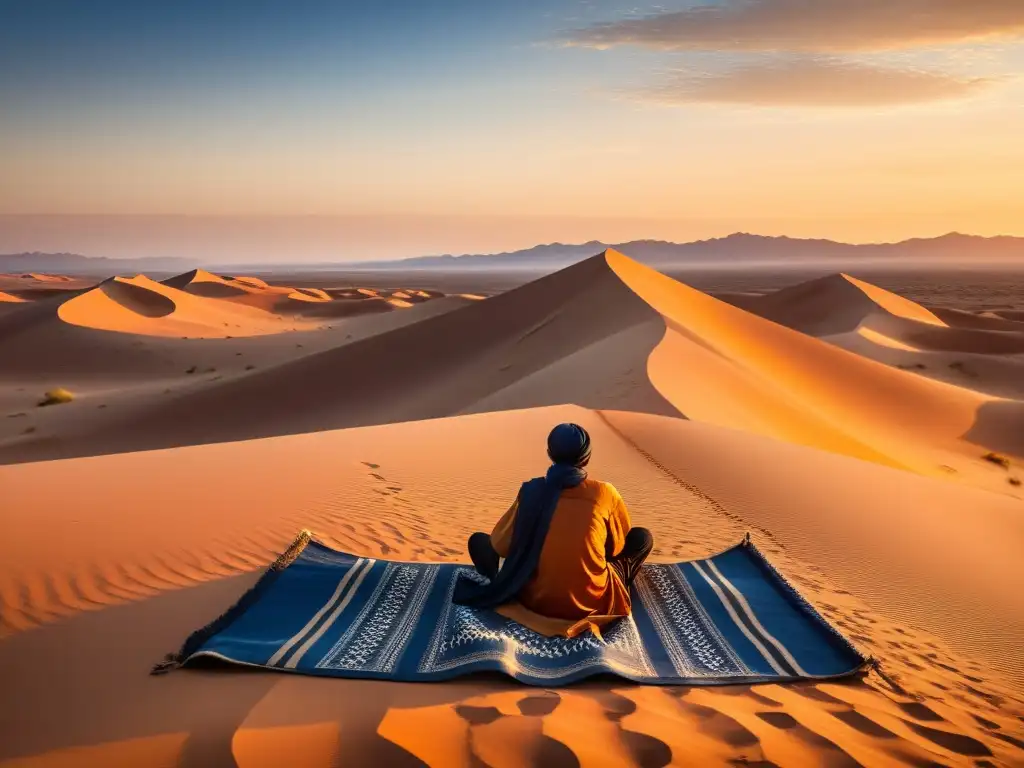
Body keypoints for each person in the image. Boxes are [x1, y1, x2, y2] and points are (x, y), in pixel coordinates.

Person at [454, 422, 653, 635]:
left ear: (550, 453)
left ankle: (508, 584)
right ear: (586, 457)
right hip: (591, 603)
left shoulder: (531, 491)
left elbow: (500, 545)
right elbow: (616, 549)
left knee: (479, 542)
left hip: (531, 600)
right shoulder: (605, 493)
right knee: (642, 538)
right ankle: (616, 588)